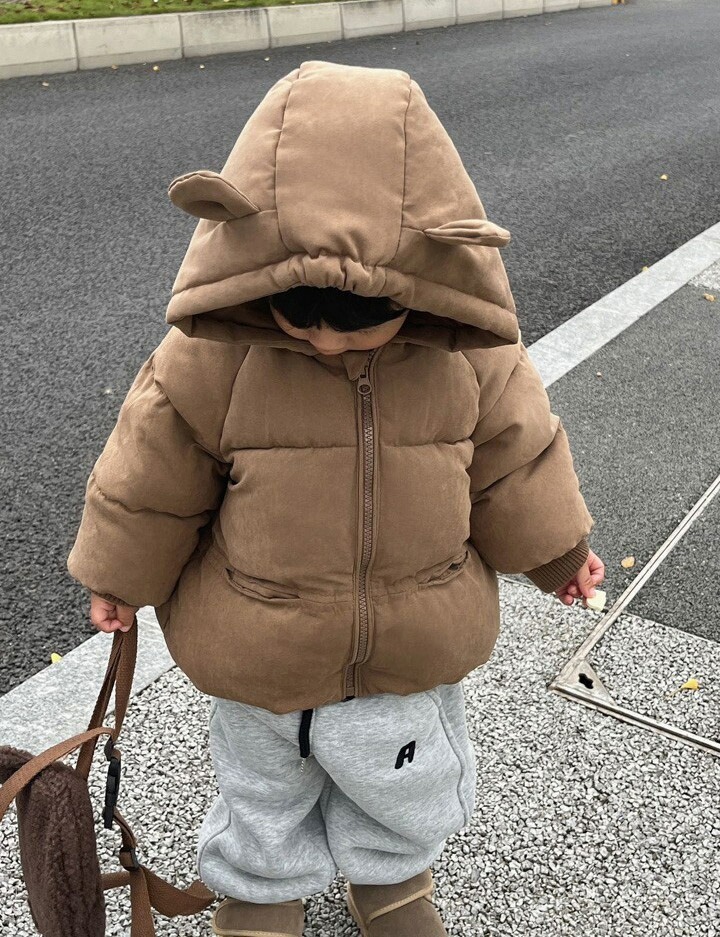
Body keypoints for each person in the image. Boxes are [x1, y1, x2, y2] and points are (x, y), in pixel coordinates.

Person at [68, 60, 605, 937]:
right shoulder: (212, 358)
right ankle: (260, 884)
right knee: (262, 784)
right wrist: (119, 575)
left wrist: (559, 554)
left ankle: (390, 877)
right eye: (299, 315)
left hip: (411, 632)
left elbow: (519, 464)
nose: (325, 343)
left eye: (358, 322)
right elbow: (150, 479)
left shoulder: (471, 359)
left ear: (420, 280)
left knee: (402, 776)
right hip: (260, 636)